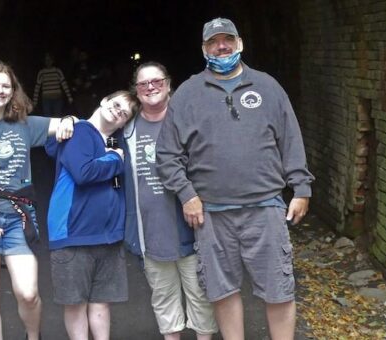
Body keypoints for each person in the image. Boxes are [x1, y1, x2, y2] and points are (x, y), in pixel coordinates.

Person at [156, 18, 315, 340]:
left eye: (227, 39)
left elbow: (290, 139)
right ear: (204, 49)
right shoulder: (188, 94)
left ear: (239, 43)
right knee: (222, 290)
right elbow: (167, 155)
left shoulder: (267, 87)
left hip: (266, 207)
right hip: (211, 213)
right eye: (214, 42)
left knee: (279, 287)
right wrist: (187, 195)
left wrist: (301, 187)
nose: (222, 46)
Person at [0, 59, 76, 340]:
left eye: (5, 85)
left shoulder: (26, 125)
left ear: (13, 91)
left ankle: (34, 337)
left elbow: (77, 124)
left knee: (28, 293)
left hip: (16, 220)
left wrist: (68, 120)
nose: (0, 90)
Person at [123, 61, 218, 340]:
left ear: (168, 84)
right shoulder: (127, 128)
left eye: (156, 81)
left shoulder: (188, 120)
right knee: (163, 297)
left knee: (200, 294)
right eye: (143, 84)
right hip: (151, 230)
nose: (150, 87)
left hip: (192, 225)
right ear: (136, 91)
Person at [45, 90, 139, 340]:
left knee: (102, 302)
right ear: (103, 100)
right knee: (75, 303)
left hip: (108, 235)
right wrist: (114, 160)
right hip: (73, 232)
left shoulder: (119, 143)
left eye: (124, 113)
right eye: (116, 104)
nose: (118, 111)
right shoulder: (80, 131)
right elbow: (83, 172)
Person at [33, 52, 73, 117]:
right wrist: (35, 100)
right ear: (44, 62)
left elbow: (64, 84)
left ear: (52, 61)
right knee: (47, 117)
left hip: (57, 98)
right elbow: (37, 87)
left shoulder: (57, 71)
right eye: (46, 60)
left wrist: (69, 97)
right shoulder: (41, 72)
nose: (48, 62)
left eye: (49, 60)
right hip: (46, 99)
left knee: (57, 117)